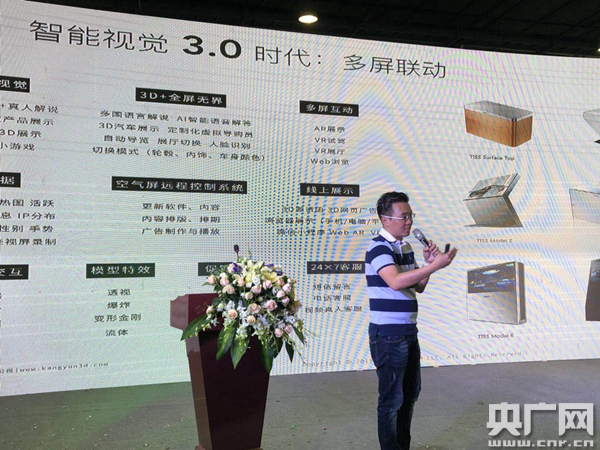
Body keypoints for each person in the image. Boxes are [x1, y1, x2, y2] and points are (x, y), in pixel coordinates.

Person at [365, 191, 458, 450]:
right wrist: (434, 266)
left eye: (410, 216)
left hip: (408, 332)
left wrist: (427, 265)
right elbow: (395, 282)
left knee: (409, 394)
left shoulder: (404, 247)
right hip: (388, 335)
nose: (409, 222)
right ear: (385, 220)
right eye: (403, 217)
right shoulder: (378, 248)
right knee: (391, 400)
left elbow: (418, 286)